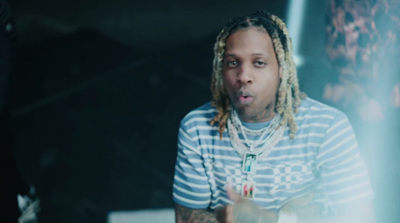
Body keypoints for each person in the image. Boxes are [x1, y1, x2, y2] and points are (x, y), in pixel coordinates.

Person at [173, 11, 374, 223]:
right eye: (233, 63)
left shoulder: (327, 127)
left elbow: (362, 218)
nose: (243, 76)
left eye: (258, 63)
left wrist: (269, 219)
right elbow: (185, 218)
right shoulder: (197, 127)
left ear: (281, 68)